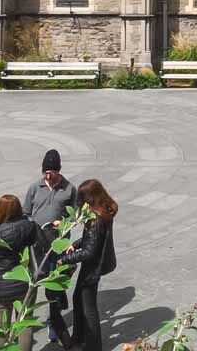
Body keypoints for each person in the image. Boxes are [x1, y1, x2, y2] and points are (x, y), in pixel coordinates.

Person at [23, 149, 79, 348]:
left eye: (52, 172)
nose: (48, 175)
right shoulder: (34, 188)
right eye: (45, 172)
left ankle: (54, 321)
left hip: (58, 244)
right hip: (36, 245)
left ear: (59, 171)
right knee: (32, 281)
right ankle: (25, 321)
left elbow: (75, 216)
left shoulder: (70, 189)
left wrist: (63, 223)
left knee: (54, 285)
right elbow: (26, 213)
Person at [57, 179, 118, 351]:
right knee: (79, 299)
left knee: (88, 308)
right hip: (97, 264)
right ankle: (80, 337)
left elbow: (89, 252)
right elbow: (91, 241)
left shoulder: (95, 221)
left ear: (90, 199)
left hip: (92, 268)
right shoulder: (105, 211)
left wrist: (65, 259)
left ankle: (92, 345)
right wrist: (75, 245)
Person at [0, 194, 40, 351]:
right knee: (25, 325)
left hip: (0, 288)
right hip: (25, 283)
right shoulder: (30, 227)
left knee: (0, 331)